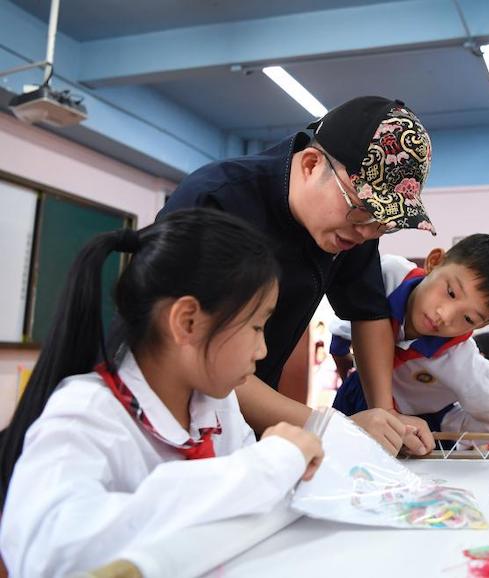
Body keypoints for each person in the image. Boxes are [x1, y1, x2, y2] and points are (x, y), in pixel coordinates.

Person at [0, 209, 324, 577]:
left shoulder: (217, 403)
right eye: (256, 326)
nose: (262, 350)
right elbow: (50, 555)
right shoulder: (86, 414)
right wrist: (265, 465)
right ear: (187, 321)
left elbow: (252, 504)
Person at [160, 96, 436, 455]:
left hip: (244, 422)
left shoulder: (354, 228)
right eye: (363, 211)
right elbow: (195, 356)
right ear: (310, 164)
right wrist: (332, 427)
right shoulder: (217, 202)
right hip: (167, 417)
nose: (369, 232)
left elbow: (367, 312)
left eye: (385, 224)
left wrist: (385, 419)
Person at [329, 234, 489, 433]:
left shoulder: (460, 359)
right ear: (434, 261)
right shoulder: (389, 275)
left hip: (409, 428)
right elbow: (348, 315)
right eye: (451, 293)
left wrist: (449, 423)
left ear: (481, 326)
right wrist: (342, 359)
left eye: (468, 319)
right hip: (354, 396)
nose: (445, 316)